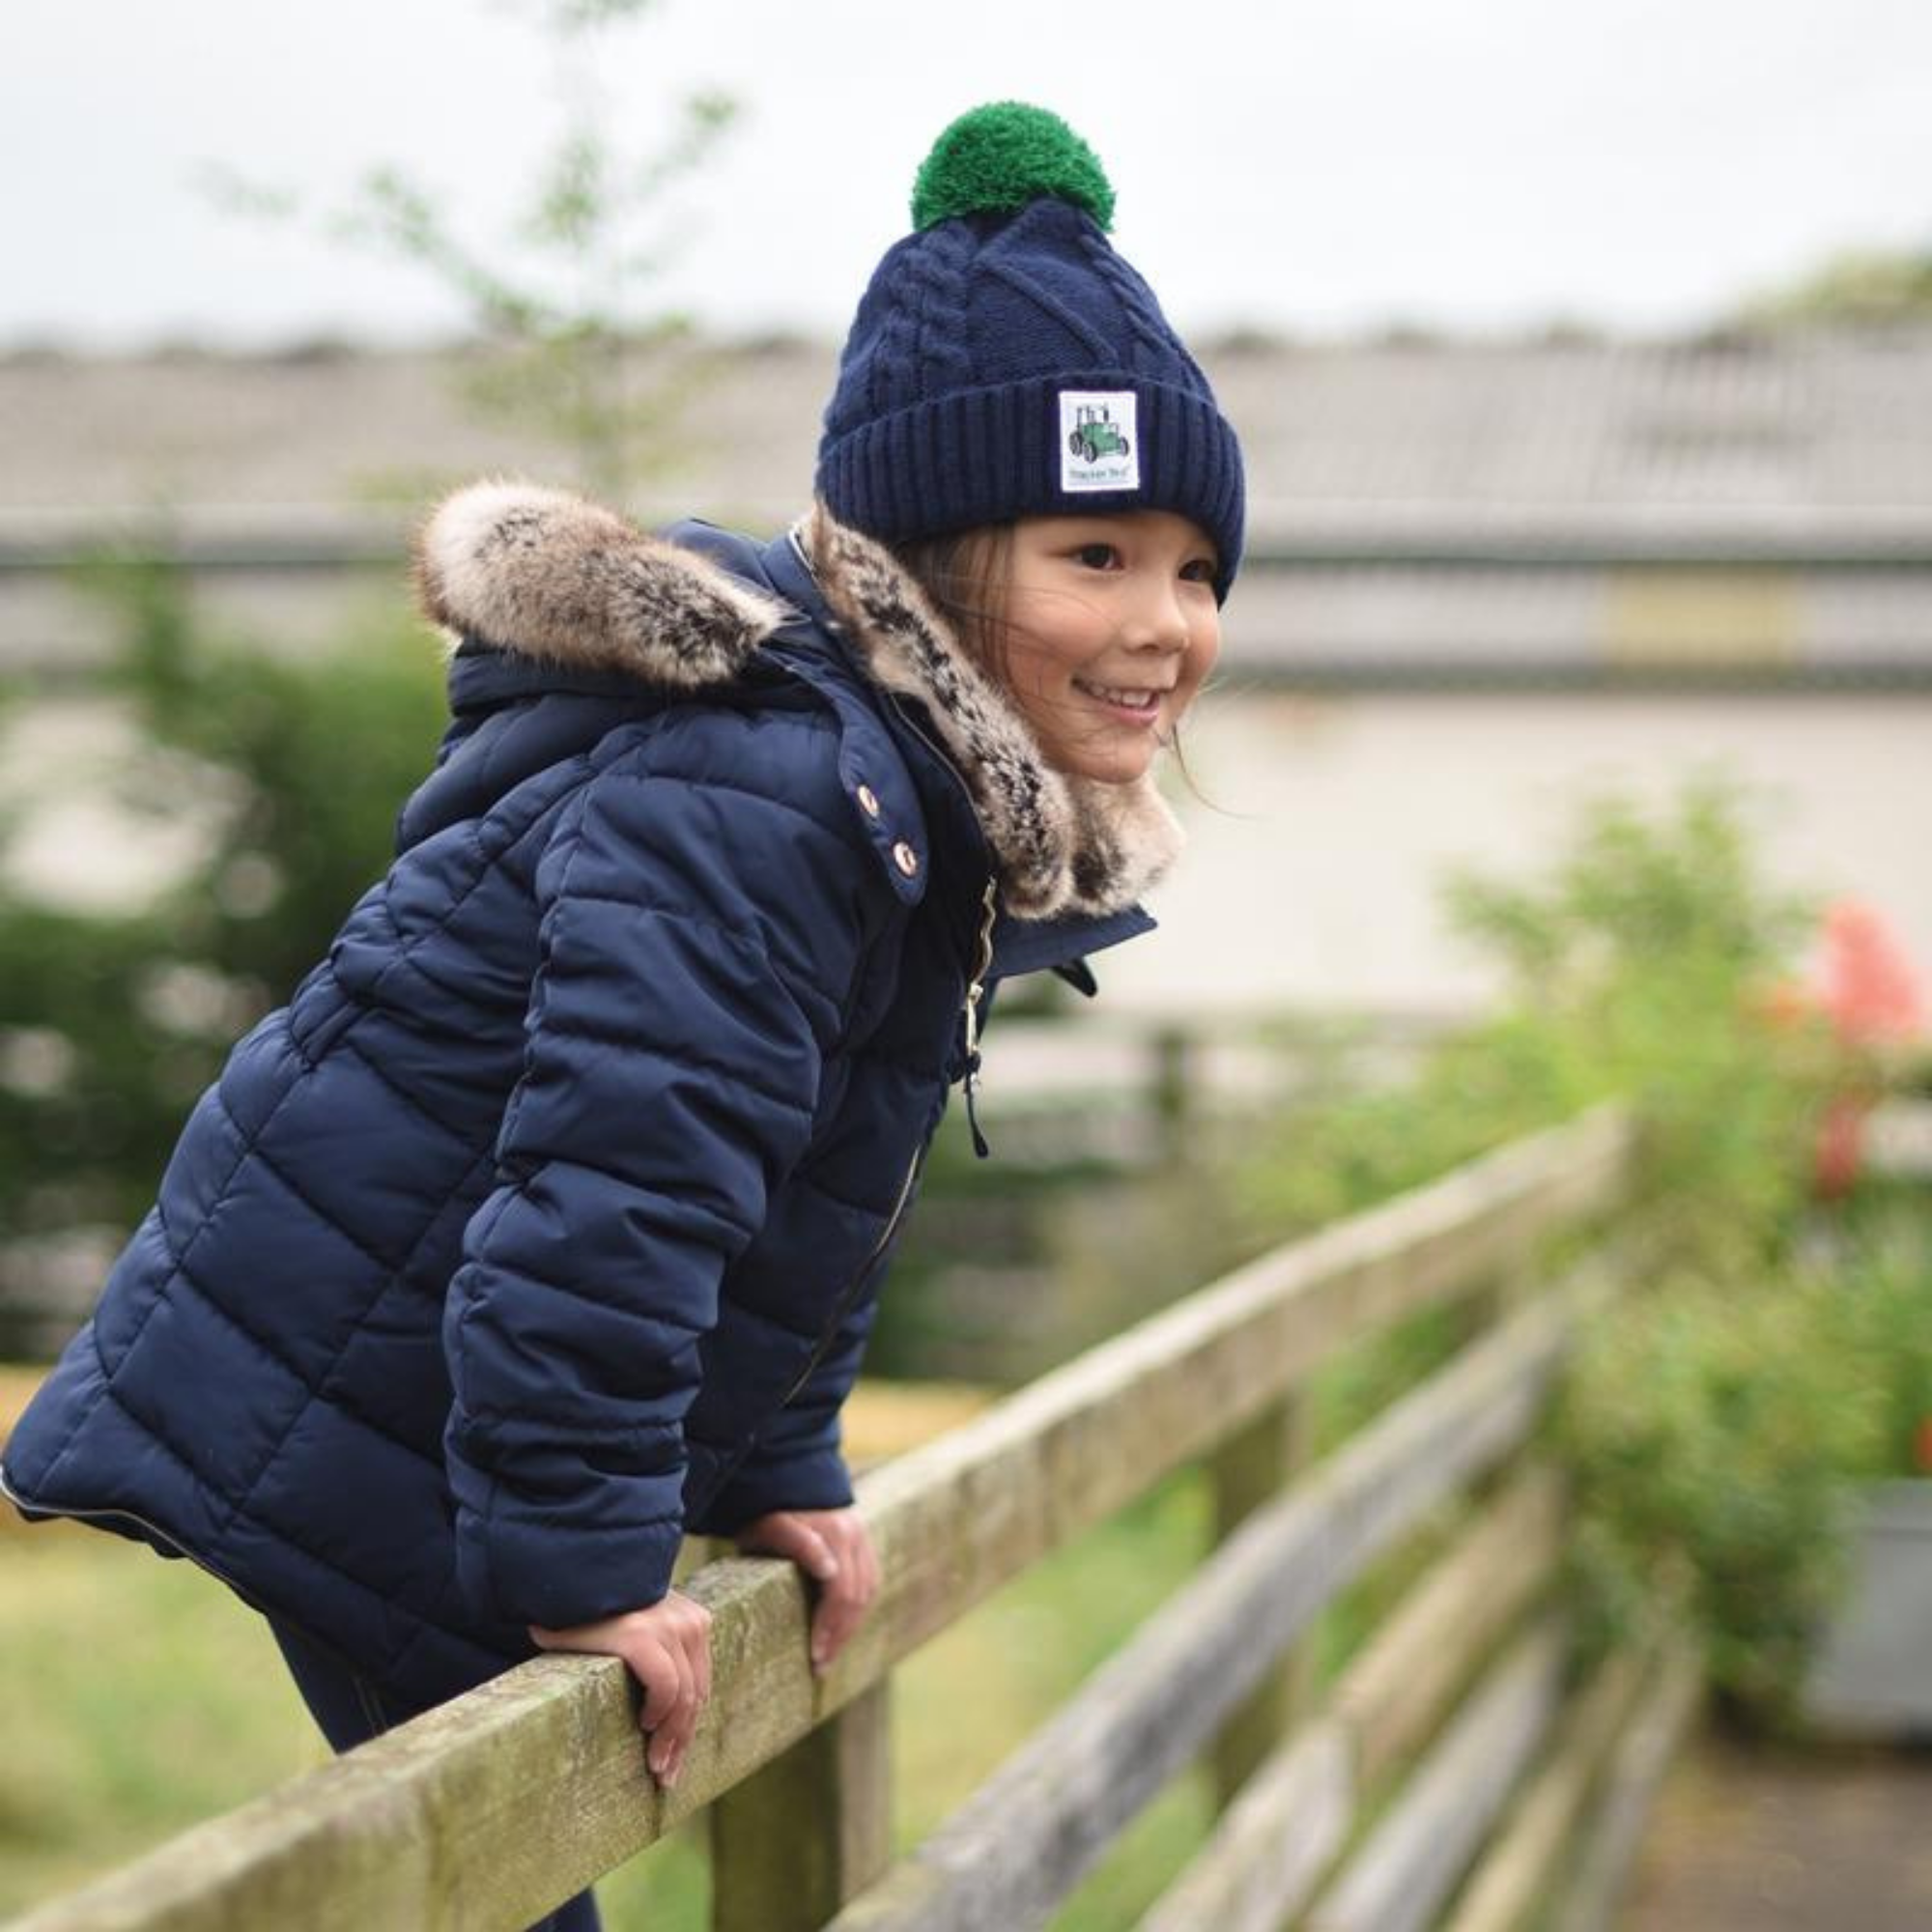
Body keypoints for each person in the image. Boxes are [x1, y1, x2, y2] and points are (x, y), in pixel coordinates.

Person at [2, 100, 1243, 1929]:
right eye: (1096, 556)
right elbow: (618, 1190)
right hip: (356, 1404)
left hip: (435, 1403)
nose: (1171, 626)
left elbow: (807, 1184)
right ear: (925, 560)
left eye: (1198, 568)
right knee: (486, 1870)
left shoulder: (903, 798)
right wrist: (589, 1557)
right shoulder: (767, 800)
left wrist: (778, 1472)